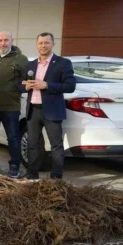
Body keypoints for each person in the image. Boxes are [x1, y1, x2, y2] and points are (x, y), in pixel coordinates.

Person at [20, 33, 75, 180]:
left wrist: (47, 85)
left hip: (52, 111)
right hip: (33, 110)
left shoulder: (63, 63)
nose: (43, 46)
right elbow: (21, 84)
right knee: (32, 144)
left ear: (53, 44)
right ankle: (32, 174)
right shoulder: (31, 64)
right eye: (40, 43)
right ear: (37, 45)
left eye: (46, 43)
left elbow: (70, 86)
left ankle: (56, 177)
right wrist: (26, 87)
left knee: (55, 145)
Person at [0, 31, 28, 177]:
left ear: (11, 41)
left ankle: (14, 164)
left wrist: (17, 89)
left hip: (10, 106)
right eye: (0, 40)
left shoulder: (21, 59)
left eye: (6, 40)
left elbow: (26, 81)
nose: (3, 43)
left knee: (13, 137)